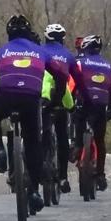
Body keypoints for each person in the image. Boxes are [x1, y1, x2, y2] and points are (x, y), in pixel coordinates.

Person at [0, 14, 69, 216]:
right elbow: (60, 74)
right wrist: (56, 99)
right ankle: (33, 191)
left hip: (6, 97)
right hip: (31, 99)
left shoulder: (1, 52)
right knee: (33, 142)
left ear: (9, 34)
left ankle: (0, 149)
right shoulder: (40, 51)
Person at [73, 34, 111, 192]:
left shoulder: (80, 63)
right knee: (99, 140)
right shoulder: (108, 66)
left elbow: (70, 84)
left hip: (83, 103)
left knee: (78, 122)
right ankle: (100, 175)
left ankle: (77, 147)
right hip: (101, 105)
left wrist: (67, 100)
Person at [42, 23, 77, 193]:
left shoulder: (38, 51)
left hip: (41, 99)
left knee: (42, 132)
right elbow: (79, 80)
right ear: (62, 39)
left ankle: (40, 166)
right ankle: (63, 177)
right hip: (62, 97)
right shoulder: (69, 56)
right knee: (62, 138)